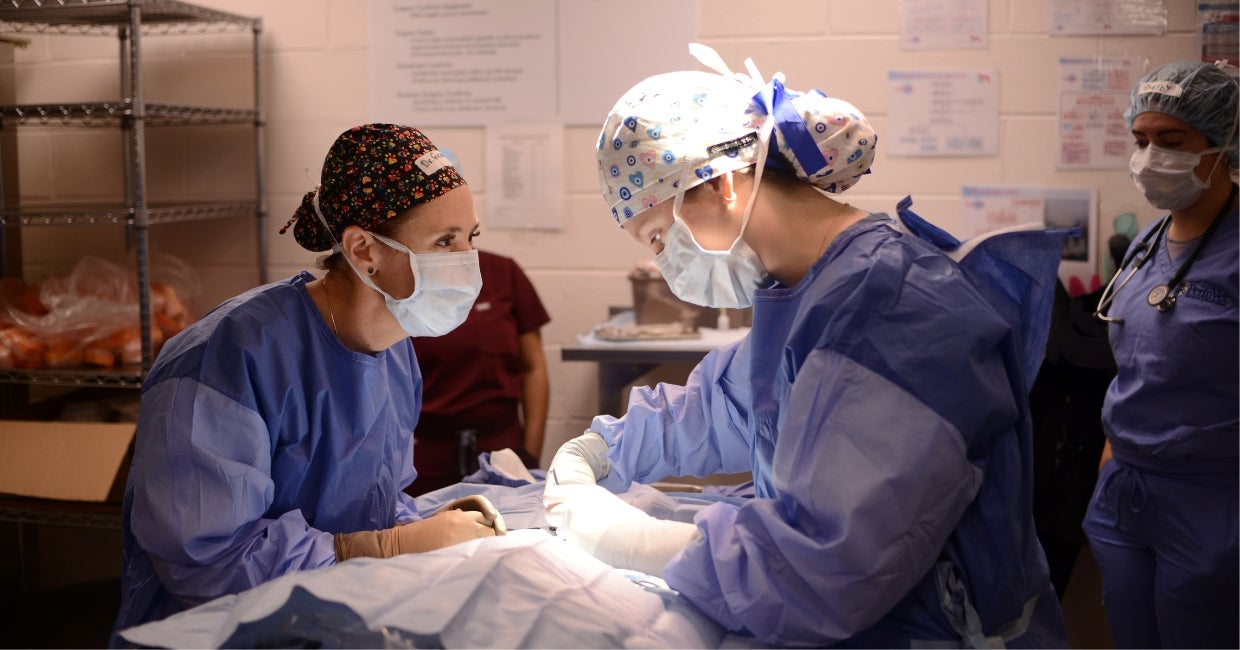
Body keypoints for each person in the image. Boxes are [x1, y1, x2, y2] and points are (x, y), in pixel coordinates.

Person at [542, 44, 1070, 647]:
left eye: (659, 236)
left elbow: (827, 568)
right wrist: (600, 449)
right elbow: (724, 408)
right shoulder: (802, 291)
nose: (662, 262)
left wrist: (630, 541)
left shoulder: (895, 309)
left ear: (721, 183)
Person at [110, 124, 508, 641]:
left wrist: (417, 529)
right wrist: (386, 548)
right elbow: (207, 563)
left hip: (332, 619)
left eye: (469, 238)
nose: (466, 261)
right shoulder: (226, 358)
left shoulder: (393, 349)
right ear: (364, 250)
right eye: (444, 241)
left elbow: (374, 503)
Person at [1084, 61, 1238, 649]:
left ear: (1224, 144)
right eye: (1140, 140)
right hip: (1126, 488)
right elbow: (1139, 362)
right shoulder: (1148, 241)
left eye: (1171, 141)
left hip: (1212, 497)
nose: (1149, 157)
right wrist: (1110, 456)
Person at [408, 248, 551, 495]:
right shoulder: (403, 277)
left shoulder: (503, 272)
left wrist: (530, 455)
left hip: (500, 447)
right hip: (426, 453)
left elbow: (534, 367)